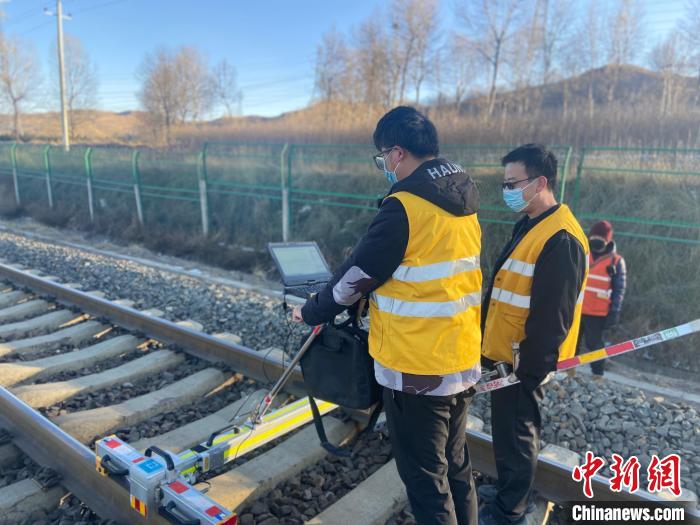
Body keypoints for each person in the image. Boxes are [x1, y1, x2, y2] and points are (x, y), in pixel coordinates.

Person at [292, 106, 482, 525]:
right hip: (460, 356)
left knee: (425, 479)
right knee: (456, 466)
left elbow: (356, 275)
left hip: (417, 366)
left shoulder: (405, 206)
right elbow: (425, 272)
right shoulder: (463, 200)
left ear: (397, 153)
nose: (384, 166)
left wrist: (311, 310)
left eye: (383, 157)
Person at [478, 144, 589, 525]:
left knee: (518, 431)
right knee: (507, 431)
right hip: (504, 356)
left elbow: (553, 317)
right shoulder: (531, 223)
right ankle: (510, 490)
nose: (506, 190)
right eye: (504, 183)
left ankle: (510, 510)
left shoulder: (561, 239)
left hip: (522, 362)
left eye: (513, 183)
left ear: (540, 182)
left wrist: (530, 370)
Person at [576, 220, 627, 378]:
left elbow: (619, 289)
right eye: (594, 237)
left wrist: (614, 311)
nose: (596, 241)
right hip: (576, 308)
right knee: (571, 343)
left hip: (597, 313)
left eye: (600, 238)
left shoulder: (616, 261)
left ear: (608, 240)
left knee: (595, 345)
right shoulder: (582, 253)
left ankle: (597, 375)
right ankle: (567, 371)